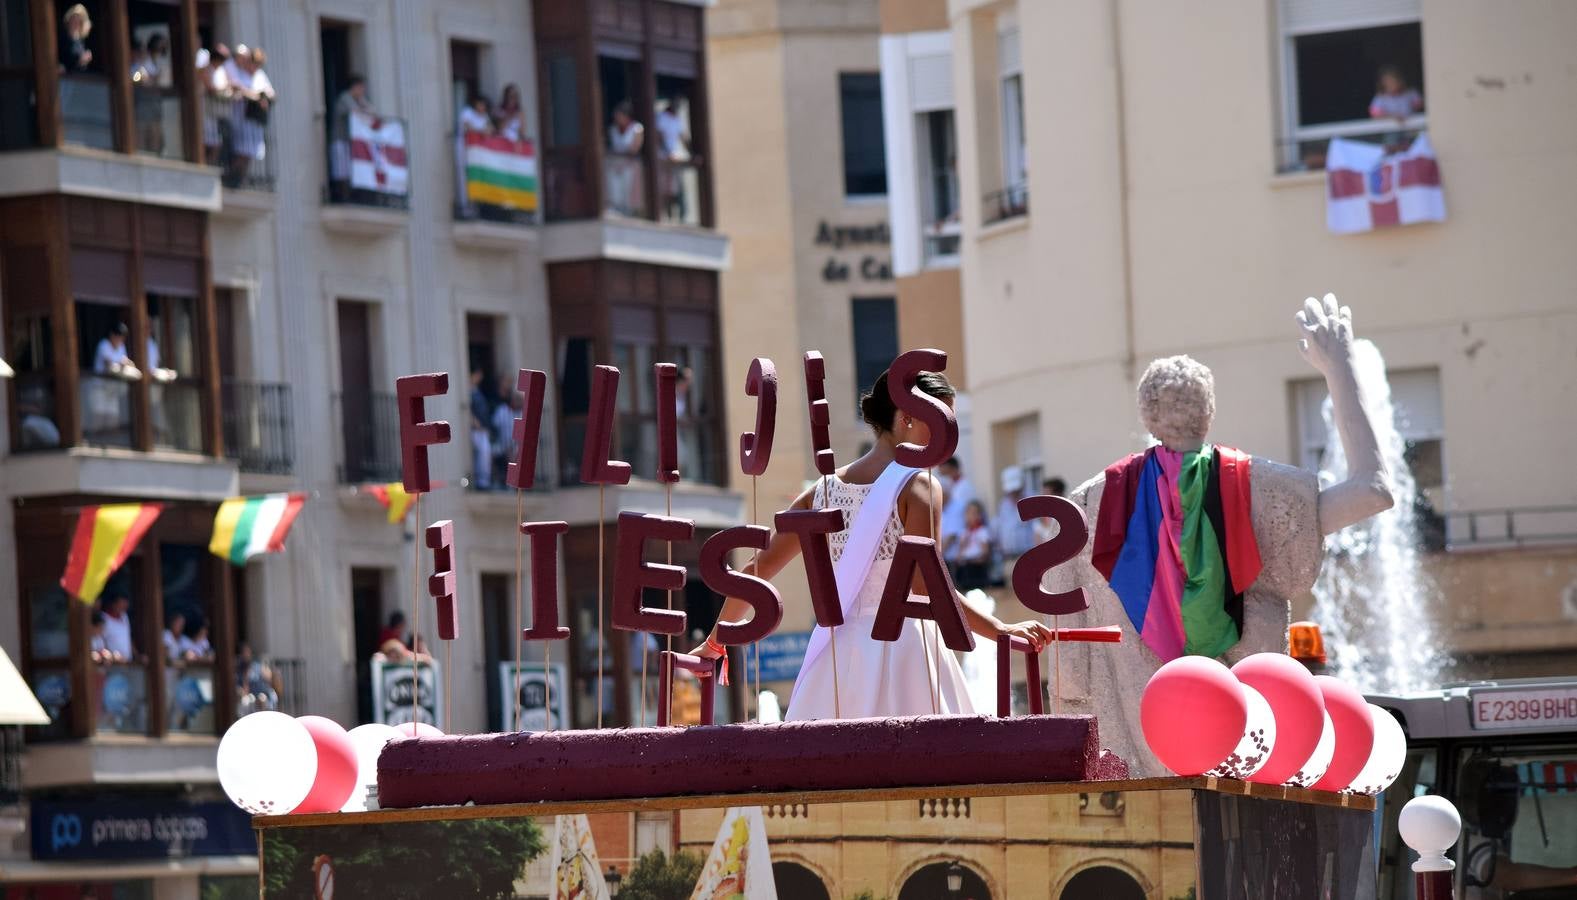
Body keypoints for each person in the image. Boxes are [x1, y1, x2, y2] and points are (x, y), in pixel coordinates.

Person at [691, 368, 1052, 721]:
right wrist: (1000, 630)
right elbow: (926, 585)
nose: (949, 433)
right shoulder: (920, 485)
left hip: (836, 658)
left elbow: (759, 569)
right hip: (906, 652)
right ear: (906, 418)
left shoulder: (823, 489)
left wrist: (715, 641)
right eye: (942, 419)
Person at [224, 45, 274, 188]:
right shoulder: (239, 73)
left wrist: (264, 98)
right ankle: (232, 178)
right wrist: (257, 97)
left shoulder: (260, 76)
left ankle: (240, 180)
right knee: (241, 151)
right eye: (254, 63)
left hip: (255, 120)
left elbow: (271, 93)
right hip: (242, 118)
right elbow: (238, 88)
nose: (256, 67)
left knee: (250, 153)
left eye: (259, 64)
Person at [330, 76, 372, 200]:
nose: (362, 92)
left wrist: (362, 102)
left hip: (350, 142)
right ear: (354, 87)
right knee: (341, 170)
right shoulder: (345, 98)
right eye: (361, 88)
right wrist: (362, 104)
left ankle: (352, 194)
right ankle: (342, 195)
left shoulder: (358, 100)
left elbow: (371, 111)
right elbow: (355, 111)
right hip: (340, 140)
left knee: (350, 170)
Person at [654, 99, 691, 220]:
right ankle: (666, 215)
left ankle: (679, 215)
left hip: (675, 158)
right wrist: (667, 153)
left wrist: (690, 152)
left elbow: (682, 137)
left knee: (675, 188)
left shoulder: (677, 119)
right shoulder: (661, 117)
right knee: (665, 188)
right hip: (664, 158)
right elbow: (659, 136)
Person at [456, 94, 493, 215]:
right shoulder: (467, 113)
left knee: (478, 178)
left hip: (478, 155)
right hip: (465, 149)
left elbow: (490, 130)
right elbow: (468, 127)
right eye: (480, 104)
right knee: (464, 176)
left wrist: (484, 131)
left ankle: (477, 205)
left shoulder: (485, 117)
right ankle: (464, 205)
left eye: (484, 105)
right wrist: (481, 131)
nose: (482, 107)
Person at [993, 466, 1037, 566]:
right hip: (1008, 557)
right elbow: (1000, 527)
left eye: (1016, 490)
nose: (1013, 493)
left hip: (1028, 555)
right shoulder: (1003, 504)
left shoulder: (1031, 500)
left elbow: (1037, 528)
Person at [938, 457, 975, 572]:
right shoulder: (943, 507)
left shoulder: (964, 490)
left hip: (956, 558)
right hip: (946, 557)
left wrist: (938, 555)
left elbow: (953, 534)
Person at [606, 100, 644, 216]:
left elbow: (635, 148)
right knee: (615, 189)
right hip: (615, 164)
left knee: (628, 191)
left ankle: (628, 212)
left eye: (619, 115)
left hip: (630, 165)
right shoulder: (612, 130)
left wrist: (624, 153)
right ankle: (617, 210)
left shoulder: (637, 128)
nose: (617, 118)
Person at [954, 501, 994, 592]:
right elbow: (959, 554)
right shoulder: (964, 533)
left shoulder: (982, 531)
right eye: (968, 513)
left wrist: (974, 560)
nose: (970, 516)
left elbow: (985, 553)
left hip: (977, 569)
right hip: (965, 569)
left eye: (974, 513)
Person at [491, 373, 520, 487]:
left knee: (515, 454)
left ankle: (513, 483)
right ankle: (495, 480)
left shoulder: (521, 413)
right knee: (490, 453)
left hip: (516, 445)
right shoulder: (501, 410)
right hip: (501, 444)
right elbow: (494, 427)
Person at [236, 643, 281, 712]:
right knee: (246, 702)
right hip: (250, 696)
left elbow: (269, 678)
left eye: (248, 652)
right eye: (244, 652)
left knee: (262, 698)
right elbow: (241, 688)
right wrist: (243, 692)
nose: (246, 655)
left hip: (263, 694)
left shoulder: (257, 666)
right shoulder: (239, 671)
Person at [468, 368, 493, 489]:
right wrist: (473, 420)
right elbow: (467, 408)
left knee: (486, 454)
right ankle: (481, 482)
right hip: (476, 429)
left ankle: (485, 481)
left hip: (483, 428)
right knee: (482, 454)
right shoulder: (468, 391)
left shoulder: (477, 390)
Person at [1032, 476, 1068, 545]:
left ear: (1058, 495)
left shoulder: (1067, 515)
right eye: (1043, 494)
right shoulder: (1041, 516)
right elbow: (1037, 542)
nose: (1043, 498)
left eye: (1047, 494)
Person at [57, 4, 93, 73]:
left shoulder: (81, 39)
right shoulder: (62, 37)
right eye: (73, 19)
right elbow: (63, 61)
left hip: (79, 77)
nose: (75, 23)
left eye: (78, 21)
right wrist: (79, 60)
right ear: (69, 20)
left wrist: (86, 59)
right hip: (66, 77)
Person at [100, 595, 135, 661]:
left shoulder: (125, 617)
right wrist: (110, 656)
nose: (124, 607)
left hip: (127, 662)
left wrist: (137, 656)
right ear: (113, 603)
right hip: (112, 664)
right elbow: (101, 642)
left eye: (125, 604)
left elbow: (128, 638)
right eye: (121, 604)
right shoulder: (104, 618)